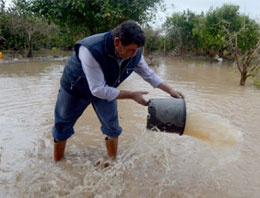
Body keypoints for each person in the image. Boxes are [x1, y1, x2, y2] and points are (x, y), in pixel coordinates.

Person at [53, 20, 184, 162]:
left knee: (113, 127)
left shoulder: (135, 54)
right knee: (62, 126)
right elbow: (97, 89)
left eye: (137, 50)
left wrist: (170, 90)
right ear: (117, 42)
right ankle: (58, 162)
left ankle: (112, 162)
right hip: (75, 88)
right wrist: (131, 95)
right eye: (131, 50)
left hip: (106, 88)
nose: (134, 54)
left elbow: (148, 74)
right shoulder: (91, 49)